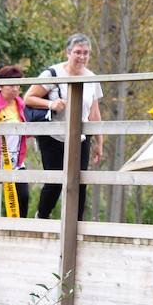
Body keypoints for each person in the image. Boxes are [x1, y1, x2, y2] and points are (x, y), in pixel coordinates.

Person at [24, 33, 105, 220]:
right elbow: (29, 98)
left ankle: (76, 224)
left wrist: (99, 142)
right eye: (77, 52)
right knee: (55, 181)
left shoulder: (92, 78)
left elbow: (94, 113)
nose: (82, 57)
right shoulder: (53, 73)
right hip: (53, 135)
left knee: (80, 181)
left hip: (80, 137)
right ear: (68, 53)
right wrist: (51, 104)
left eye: (86, 53)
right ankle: (42, 217)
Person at [0, 65, 31, 218]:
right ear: (0, 86)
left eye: (18, 85)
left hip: (16, 162)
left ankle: (21, 234)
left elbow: (27, 129)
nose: (15, 88)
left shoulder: (20, 103)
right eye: (11, 84)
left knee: (23, 198)